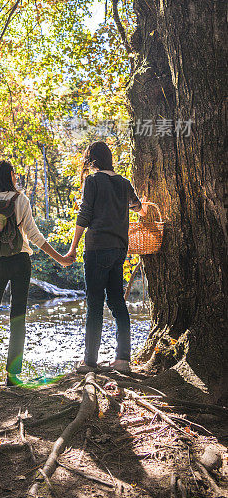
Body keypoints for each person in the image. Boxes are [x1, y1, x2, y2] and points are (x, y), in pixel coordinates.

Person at [0, 159, 72, 386]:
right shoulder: (21, 200)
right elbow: (34, 235)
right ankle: (12, 376)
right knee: (18, 318)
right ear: (11, 175)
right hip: (21, 261)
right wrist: (60, 258)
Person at [64, 141, 148, 374]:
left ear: (93, 161)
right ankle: (123, 359)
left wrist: (72, 249)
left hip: (97, 248)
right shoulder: (123, 183)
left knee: (94, 304)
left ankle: (90, 361)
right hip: (119, 249)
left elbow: (85, 214)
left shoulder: (92, 181)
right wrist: (143, 212)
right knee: (117, 302)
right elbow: (139, 207)